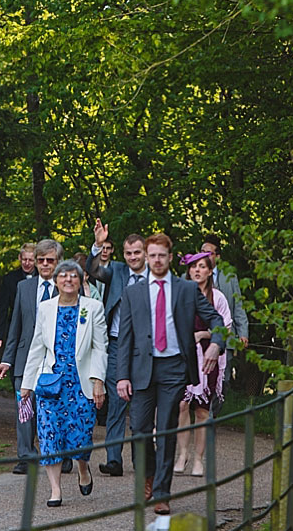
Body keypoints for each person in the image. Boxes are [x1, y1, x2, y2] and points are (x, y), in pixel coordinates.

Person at [115, 232, 225, 515]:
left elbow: (217, 320)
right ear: (147, 257)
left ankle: (162, 492)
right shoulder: (133, 292)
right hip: (141, 368)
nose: (156, 260)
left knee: (165, 429)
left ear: (170, 257)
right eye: (151, 255)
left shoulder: (186, 290)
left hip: (174, 367)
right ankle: (148, 476)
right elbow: (125, 337)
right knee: (139, 429)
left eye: (161, 255)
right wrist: (122, 376)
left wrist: (215, 344)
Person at [20, 260, 107, 507]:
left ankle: (83, 468)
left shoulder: (93, 308)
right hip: (51, 383)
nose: (68, 280)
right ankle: (55, 490)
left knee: (80, 437)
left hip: (81, 383)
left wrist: (98, 381)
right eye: (63, 276)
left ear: (80, 281)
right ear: (56, 281)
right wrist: (28, 383)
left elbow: (101, 348)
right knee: (49, 436)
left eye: (73, 276)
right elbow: (37, 347)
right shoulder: (45, 308)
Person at [0, 239, 72, 475]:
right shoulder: (24, 288)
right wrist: (7, 359)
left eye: (50, 260)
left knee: (57, 410)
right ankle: (26, 456)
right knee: (24, 410)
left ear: (58, 262)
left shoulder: (67, 287)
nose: (45, 265)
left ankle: (61, 455)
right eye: (41, 260)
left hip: (57, 361)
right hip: (25, 360)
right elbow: (15, 325)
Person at [85, 220, 148, 477]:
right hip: (116, 344)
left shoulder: (156, 277)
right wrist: (98, 245)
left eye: (137, 253)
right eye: (128, 253)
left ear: (145, 253)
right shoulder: (119, 272)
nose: (132, 257)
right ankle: (114, 459)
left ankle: (142, 460)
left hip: (144, 348)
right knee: (115, 405)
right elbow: (93, 270)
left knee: (142, 405)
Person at [173, 252, 233, 477]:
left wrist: (204, 334)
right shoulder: (181, 294)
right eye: (193, 267)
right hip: (184, 356)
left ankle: (198, 458)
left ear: (209, 271)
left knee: (202, 410)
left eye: (202, 267)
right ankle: (182, 453)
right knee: (181, 405)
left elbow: (225, 327)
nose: (197, 271)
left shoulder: (217, 297)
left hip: (208, 356)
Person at [200, 235, 249, 415]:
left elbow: (238, 307)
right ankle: (203, 417)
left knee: (223, 380)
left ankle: (211, 413)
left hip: (225, 337)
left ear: (217, 257)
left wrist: (243, 332)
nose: (204, 256)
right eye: (202, 252)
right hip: (199, 337)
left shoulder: (230, 278)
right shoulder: (191, 275)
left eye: (209, 253)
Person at [0, 243, 37, 351]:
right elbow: (2, 308)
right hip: (16, 328)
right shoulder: (10, 279)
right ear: (19, 258)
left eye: (30, 260)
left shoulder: (43, 278)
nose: (27, 263)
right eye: (24, 259)